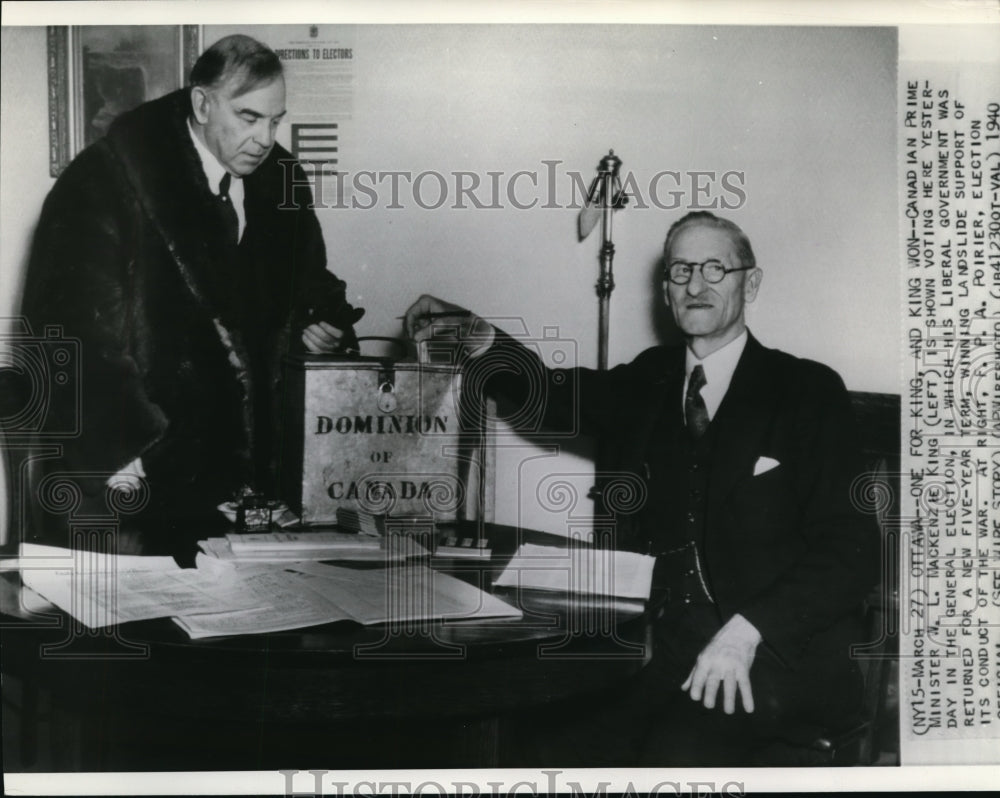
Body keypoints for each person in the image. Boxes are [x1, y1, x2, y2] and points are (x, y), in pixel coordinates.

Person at [404, 211, 880, 766]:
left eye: (714, 269)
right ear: (665, 289)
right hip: (661, 643)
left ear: (750, 282)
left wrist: (747, 631)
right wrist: (473, 330)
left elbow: (853, 551)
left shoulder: (806, 389)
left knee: (675, 754)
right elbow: (554, 395)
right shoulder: (650, 378)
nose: (695, 285)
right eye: (681, 271)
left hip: (772, 652)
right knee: (540, 742)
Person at [20, 35, 362, 553]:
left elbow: (305, 282)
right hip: (141, 477)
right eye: (249, 117)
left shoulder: (281, 180)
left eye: (275, 120)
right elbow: (70, 333)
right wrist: (130, 453)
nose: (266, 138)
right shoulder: (102, 181)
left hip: (251, 487)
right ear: (202, 104)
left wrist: (319, 325)